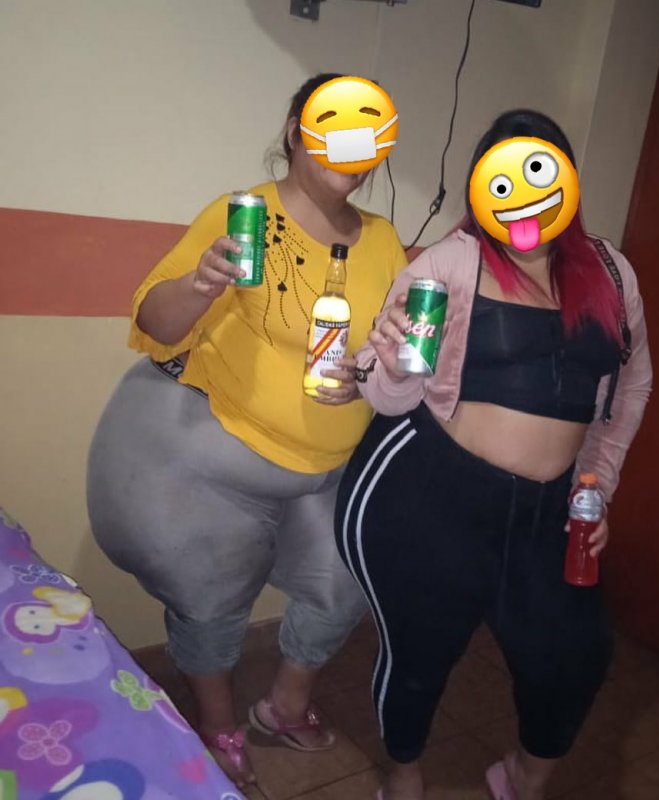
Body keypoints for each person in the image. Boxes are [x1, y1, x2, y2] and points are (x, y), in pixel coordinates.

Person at [86, 73, 407, 788]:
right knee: (210, 602)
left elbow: (390, 345)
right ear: (297, 132)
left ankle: (285, 706)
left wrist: (372, 369)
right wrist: (202, 283)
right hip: (217, 463)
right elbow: (154, 322)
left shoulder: (384, 239)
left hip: (327, 467)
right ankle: (218, 725)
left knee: (345, 584)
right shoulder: (244, 215)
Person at [334, 109, 652, 800]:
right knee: (420, 656)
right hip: (436, 494)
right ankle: (403, 771)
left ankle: (523, 778)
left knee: (575, 655)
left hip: (550, 511)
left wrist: (596, 487)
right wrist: (390, 360)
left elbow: (630, 387)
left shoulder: (610, 271)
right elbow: (388, 395)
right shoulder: (450, 263)